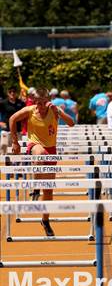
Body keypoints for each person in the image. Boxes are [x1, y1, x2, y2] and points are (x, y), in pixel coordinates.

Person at [9, 88, 75, 236]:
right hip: (35, 146)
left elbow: (71, 123)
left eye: (44, 103)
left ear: (49, 99)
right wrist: (15, 142)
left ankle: (45, 220)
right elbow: (12, 119)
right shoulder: (30, 110)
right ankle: (36, 187)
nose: (42, 106)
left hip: (51, 150)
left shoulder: (54, 110)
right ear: (34, 101)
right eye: (38, 103)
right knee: (40, 153)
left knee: (49, 191)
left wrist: (59, 112)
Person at [0, 87, 25, 154]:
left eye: (14, 91)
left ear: (16, 93)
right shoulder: (3, 103)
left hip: (18, 130)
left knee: (18, 150)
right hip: (6, 129)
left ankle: (17, 164)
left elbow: (25, 115)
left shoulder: (21, 103)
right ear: (8, 93)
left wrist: (23, 124)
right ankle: (5, 164)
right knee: (3, 147)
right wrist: (0, 122)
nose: (12, 93)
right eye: (10, 92)